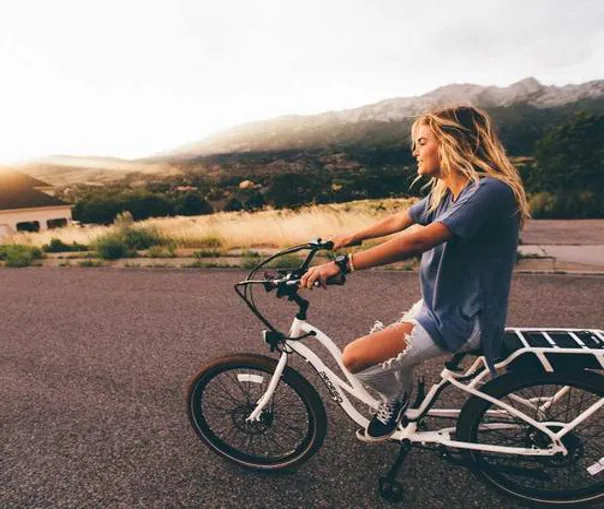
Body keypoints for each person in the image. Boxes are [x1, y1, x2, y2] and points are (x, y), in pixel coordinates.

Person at [300, 105, 530, 441]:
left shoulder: (489, 191)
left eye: (422, 142)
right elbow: (401, 219)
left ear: (452, 143)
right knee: (390, 353)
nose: (414, 151)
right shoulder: (448, 193)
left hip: (464, 318)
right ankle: (405, 402)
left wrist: (344, 263)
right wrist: (350, 237)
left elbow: (418, 239)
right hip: (439, 306)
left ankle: (395, 400)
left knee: (355, 359)